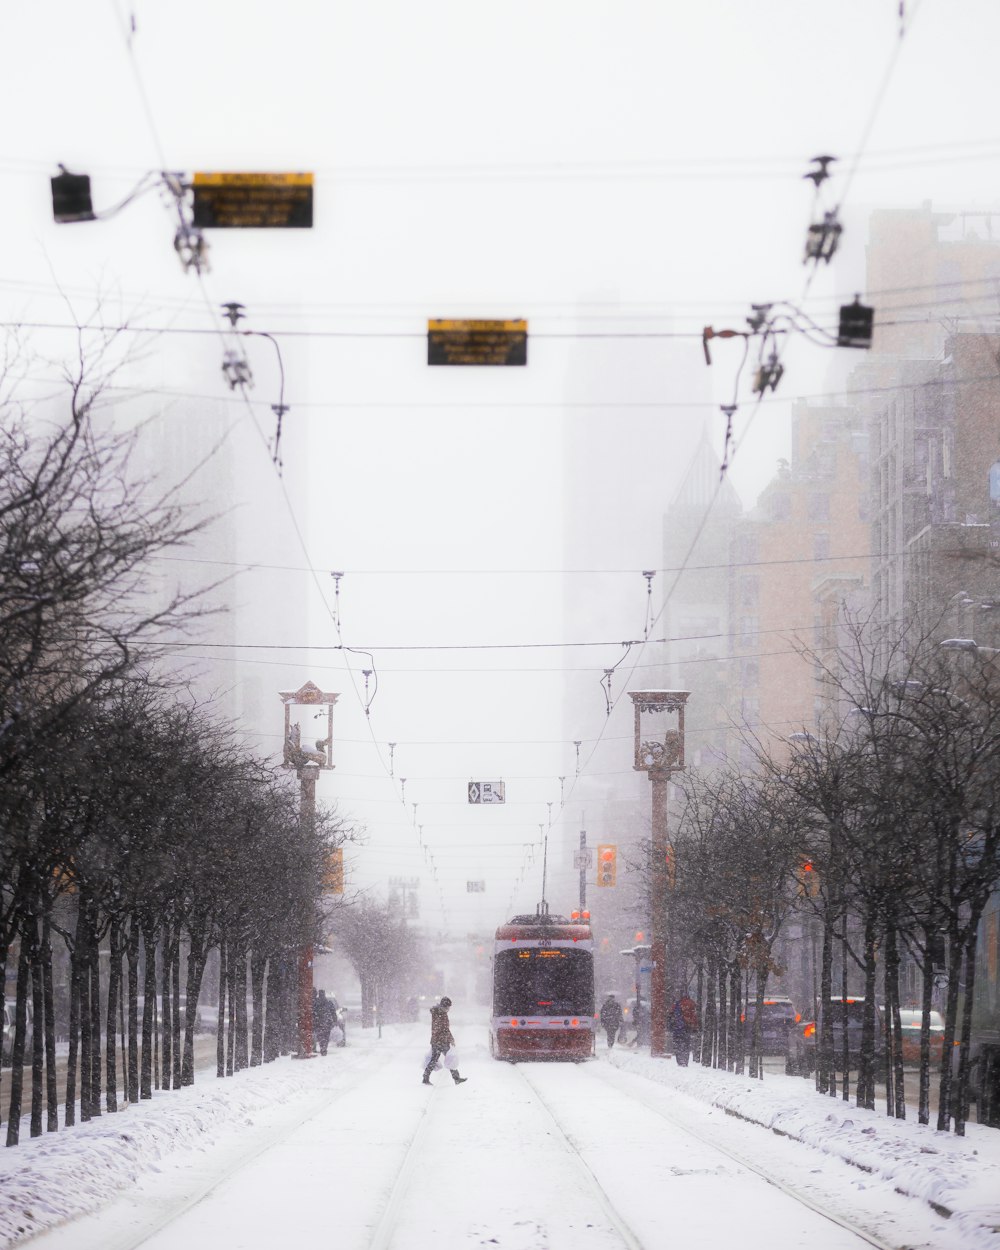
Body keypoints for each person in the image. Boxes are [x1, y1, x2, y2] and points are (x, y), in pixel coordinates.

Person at [422, 996, 467, 1086]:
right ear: (444, 1006)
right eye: (448, 1007)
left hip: (441, 1041)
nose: (449, 1009)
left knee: (449, 1059)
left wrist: (450, 1038)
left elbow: (445, 1029)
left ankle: (456, 1078)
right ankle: (425, 1078)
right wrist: (449, 1038)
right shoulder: (439, 1014)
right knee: (437, 1059)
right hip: (438, 1041)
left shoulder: (441, 1013)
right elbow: (441, 1029)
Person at [670, 993, 699, 1066]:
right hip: (687, 1027)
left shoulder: (678, 1004)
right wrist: (694, 1026)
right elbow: (694, 1016)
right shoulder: (692, 1004)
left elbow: (673, 1015)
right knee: (686, 1045)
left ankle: (679, 1060)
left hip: (678, 1028)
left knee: (678, 1045)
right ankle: (685, 1061)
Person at [314, 989, 336, 1056]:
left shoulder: (316, 1002)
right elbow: (333, 1012)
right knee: (326, 1036)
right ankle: (324, 1048)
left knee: (320, 1036)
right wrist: (334, 1020)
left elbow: (313, 1012)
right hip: (327, 1023)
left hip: (318, 1023)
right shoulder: (328, 1002)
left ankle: (322, 1047)